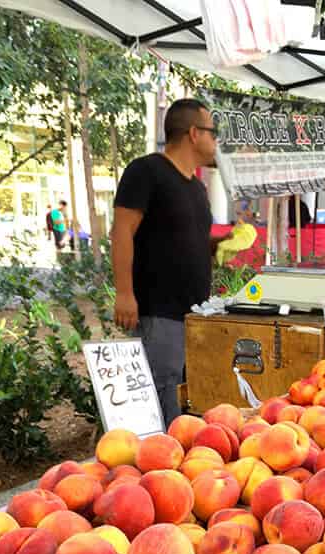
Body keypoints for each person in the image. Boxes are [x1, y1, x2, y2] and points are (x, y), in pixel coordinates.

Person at [111, 98, 218, 426]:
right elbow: (122, 232)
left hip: (194, 313)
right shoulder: (146, 171)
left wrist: (217, 246)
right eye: (213, 133)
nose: (217, 142)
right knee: (160, 398)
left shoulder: (197, 187)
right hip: (159, 312)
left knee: (186, 399)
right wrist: (125, 293)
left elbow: (182, 239)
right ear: (194, 133)